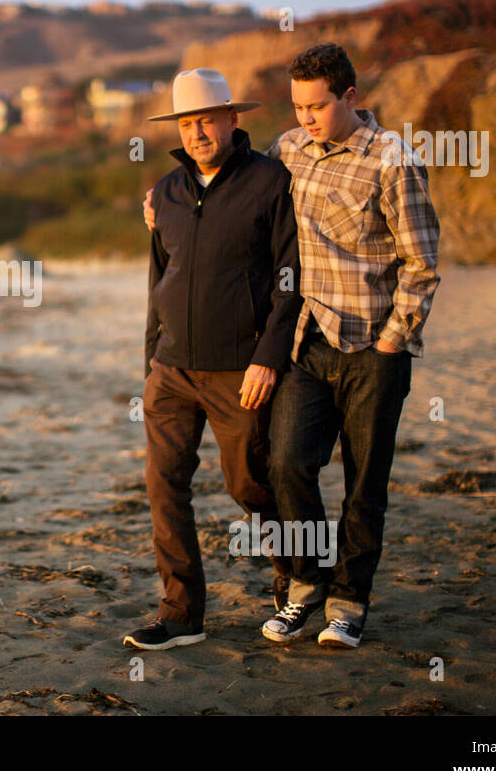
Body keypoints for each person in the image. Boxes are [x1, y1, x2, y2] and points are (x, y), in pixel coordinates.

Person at [141, 45, 441, 649]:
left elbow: (421, 261)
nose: (306, 118)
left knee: (357, 482)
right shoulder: (282, 154)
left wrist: (391, 338)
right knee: (284, 468)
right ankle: (282, 590)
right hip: (298, 345)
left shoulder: (384, 160)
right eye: (299, 106)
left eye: (318, 105)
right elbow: (183, 248)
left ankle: (347, 601)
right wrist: (160, 204)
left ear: (350, 98)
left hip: (367, 347)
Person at [124, 68, 301, 650]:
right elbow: (160, 274)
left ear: (232, 119)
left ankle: (295, 573)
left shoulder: (269, 182)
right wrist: (153, 355)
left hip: (239, 368)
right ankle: (181, 614)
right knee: (163, 484)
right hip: (172, 369)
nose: (197, 131)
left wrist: (268, 357)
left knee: (250, 482)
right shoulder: (167, 192)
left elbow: (287, 279)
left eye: (207, 119)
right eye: (187, 122)